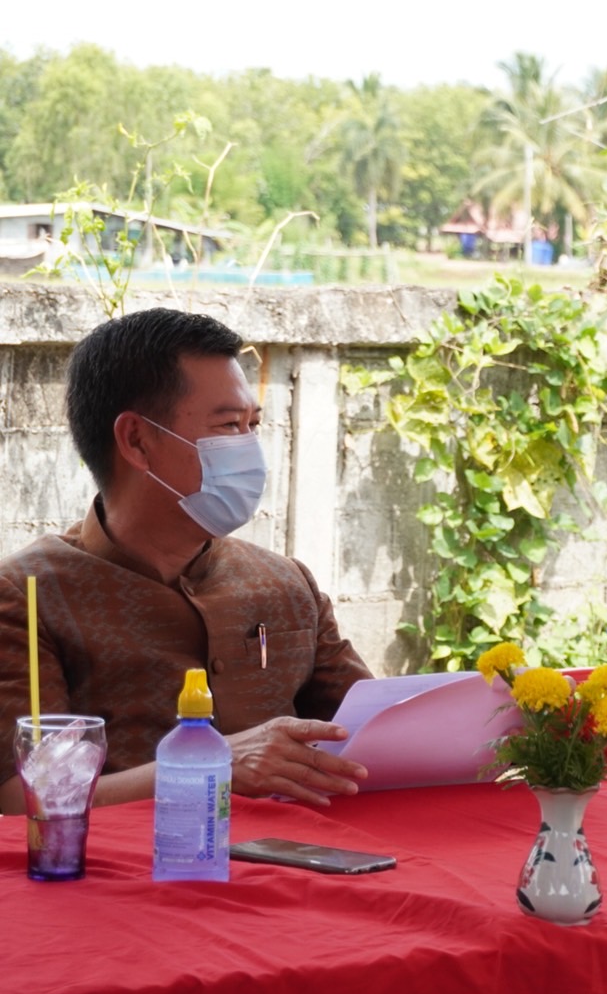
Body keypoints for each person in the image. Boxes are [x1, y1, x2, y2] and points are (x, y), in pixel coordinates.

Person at [0, 308, 372, 813]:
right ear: (136, 441)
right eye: (228, 426)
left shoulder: (285, 583)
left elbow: (375, 734)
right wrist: (209, 764)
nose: (250, 449)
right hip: (129, 862)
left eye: (253, 425)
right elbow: (22, 798)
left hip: (305, 856)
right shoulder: (25, 596)